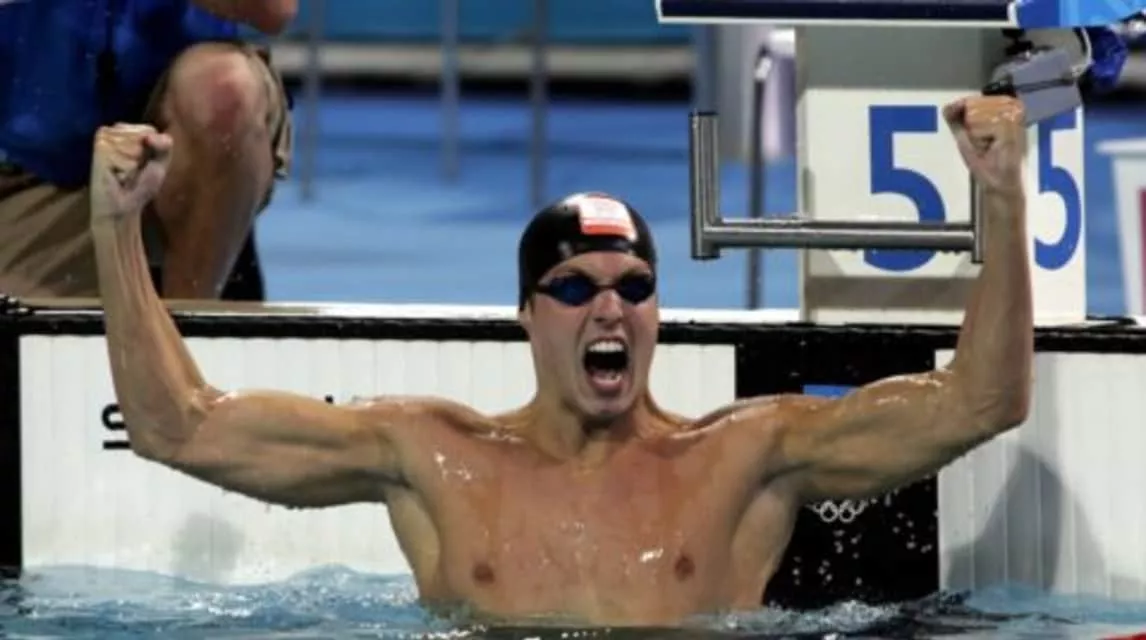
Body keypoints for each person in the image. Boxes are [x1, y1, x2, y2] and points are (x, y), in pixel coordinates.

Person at [90, 94, 1032, 627]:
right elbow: (179, 426)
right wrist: (117, 224)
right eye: (576, 289)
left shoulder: (749, 456)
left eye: (632, 286)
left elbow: (983, 400)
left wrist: (1000, 196)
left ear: (658, 314)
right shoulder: (429, 455)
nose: (608, 307)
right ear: (527, 317)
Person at [0, 0, 295, 301]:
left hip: (184, 150)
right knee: (28, 335)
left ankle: (191, 322)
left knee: (223, 88)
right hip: (36, 178)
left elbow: (273, 9)